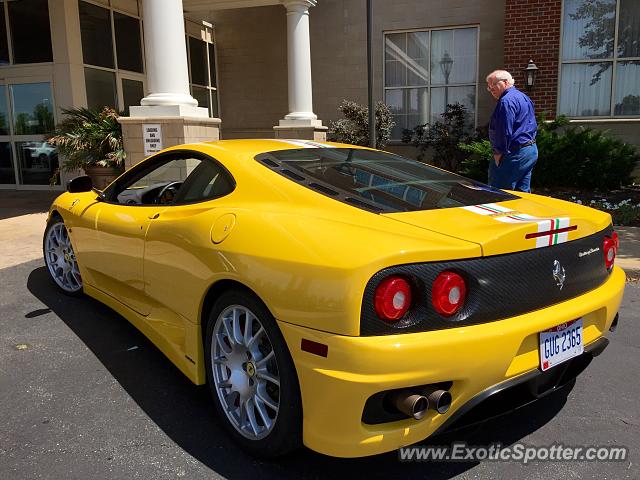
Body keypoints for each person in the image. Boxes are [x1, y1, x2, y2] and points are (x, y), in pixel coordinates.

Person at [486, 70, 538, 192]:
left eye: (493, 84)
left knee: (498, 195)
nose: (491, 88)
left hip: (513, 153)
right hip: (529, 151)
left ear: (505, 82)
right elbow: (532, 124)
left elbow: (503, 130)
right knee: (522, 195)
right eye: (488, 86)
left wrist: (498, 153)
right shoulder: (523, 97)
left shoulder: (506, 101)